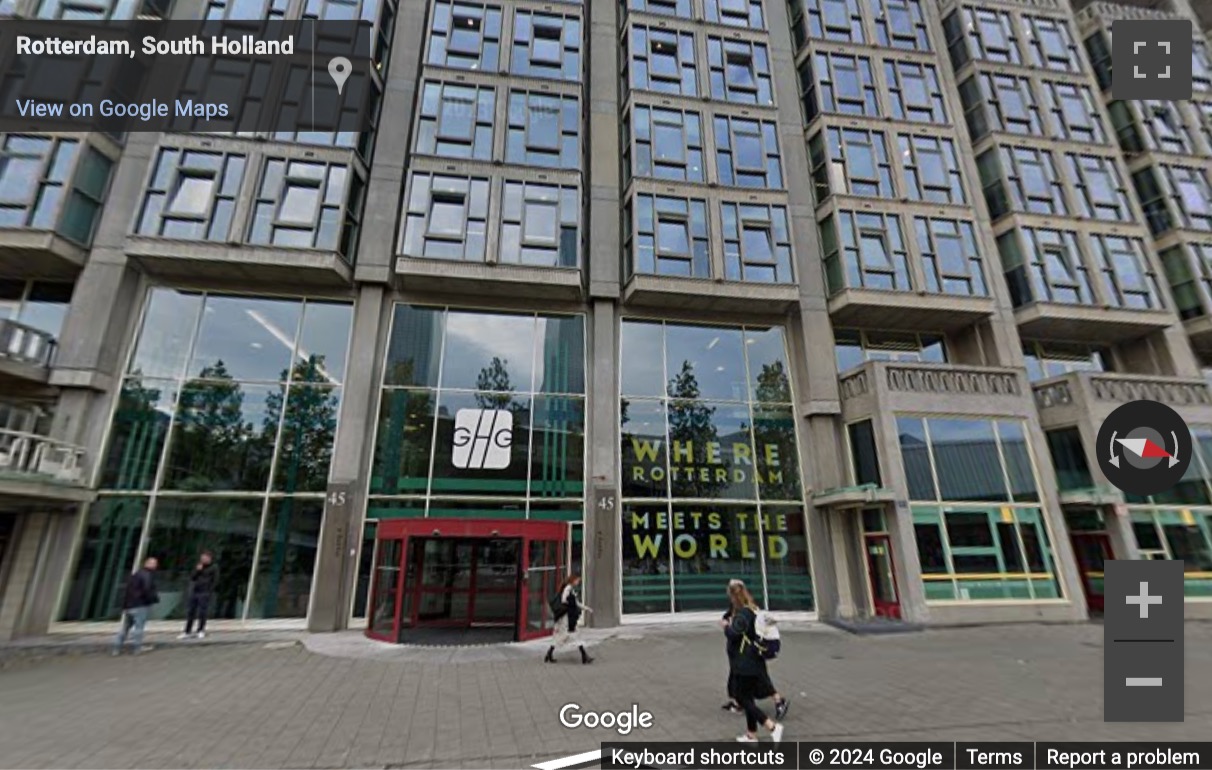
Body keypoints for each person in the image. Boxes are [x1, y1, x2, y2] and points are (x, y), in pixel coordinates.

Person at [723, 581, 784, 743]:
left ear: (734, 597)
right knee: (748, 698)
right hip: (753, 660)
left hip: (745, 662)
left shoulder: (743, 614)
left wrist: (726, 626)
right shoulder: (753, 609)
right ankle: (751, 734)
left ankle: (771, 726)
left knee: (742, 699)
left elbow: (734, 634)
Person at [112, 557, 160, 656]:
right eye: (153, 563)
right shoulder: (147, 575)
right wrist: (153, 599)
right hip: (140, 604)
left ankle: (116, 648)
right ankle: (137, 648)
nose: (155, 565)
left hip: (129, 605)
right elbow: (147, 589)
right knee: (139, 627)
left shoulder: (136, 574)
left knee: (125, 628)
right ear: (147, 564)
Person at [544, 573, 594, 664]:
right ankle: (584, 656)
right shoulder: (568, 588)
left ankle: (549, 654)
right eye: (578, 580)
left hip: (567, 618)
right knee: (569, 635)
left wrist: (587, 608)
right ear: (573, 580)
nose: (578, 582)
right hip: (566, 618)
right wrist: (571, 604)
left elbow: (576, 603)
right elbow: (564, 599)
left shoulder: (570, 589)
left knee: (564, 636)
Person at [179, 551, 217, 640]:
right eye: (202, 558)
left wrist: (209, 590)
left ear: (209, 558)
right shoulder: (199, 566)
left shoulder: (214, 567)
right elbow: (192, 577)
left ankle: (200, 630)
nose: (203, 559)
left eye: (205, 558)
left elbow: (215, 580)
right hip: (195, 591)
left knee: (202, 612)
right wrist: (197, 570)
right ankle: (187, 631)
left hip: (205, 592)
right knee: (191, 612)